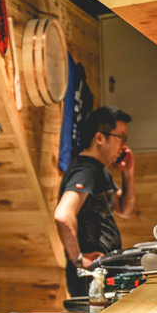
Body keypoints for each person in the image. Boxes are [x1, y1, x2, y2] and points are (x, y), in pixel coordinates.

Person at [54, 106, 136, 297]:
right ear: (99, 138)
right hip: (91, 276)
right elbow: (63, 216)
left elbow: (125, 210)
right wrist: (78, 260)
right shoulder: (85, 170)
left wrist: (128, 173)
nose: (124, 146)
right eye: (121, 137)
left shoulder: (100, 171)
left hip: (102, 271)